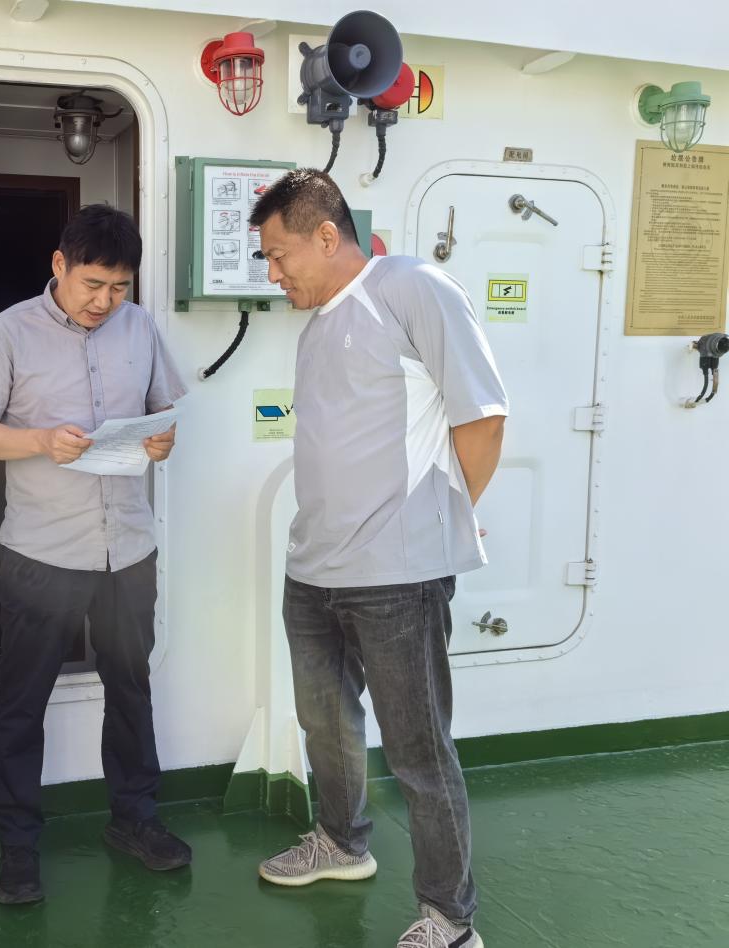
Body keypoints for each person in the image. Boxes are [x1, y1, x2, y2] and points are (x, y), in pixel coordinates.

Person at [249, 168, 507, 948]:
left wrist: (445, 518)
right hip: (314, 570)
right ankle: (341, 842)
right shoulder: (316, 327)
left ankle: (450, 920)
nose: (273, 273)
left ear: (327, 236)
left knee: (419, 752)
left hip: (397, 576)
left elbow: (483, 418)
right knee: (324, 723)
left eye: (278, 254)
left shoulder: (412, 287)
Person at [0, 204, 190, 905]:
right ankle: (18, 848)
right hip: (43, 552)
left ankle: (135, 819)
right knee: (21, 703)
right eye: (92, 284)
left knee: (131, 689)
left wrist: (162, 441)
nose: (104, 301)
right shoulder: (10, 331)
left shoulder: (140, 327)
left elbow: (165, 414)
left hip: (128, 548)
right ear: (58, 264)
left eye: (118, 287)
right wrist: (38, 441)